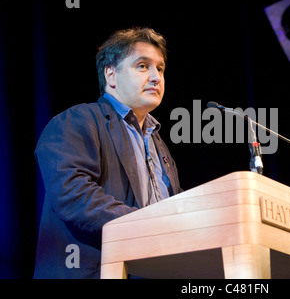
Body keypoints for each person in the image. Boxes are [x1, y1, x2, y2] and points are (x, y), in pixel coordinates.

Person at [33, 27, 182, 279]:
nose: (156, 77)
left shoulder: (160, 145)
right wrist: (149, 225)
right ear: (111, 75)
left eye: (160, 68)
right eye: (143, 66)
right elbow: (73, 196)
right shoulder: (76, 121)